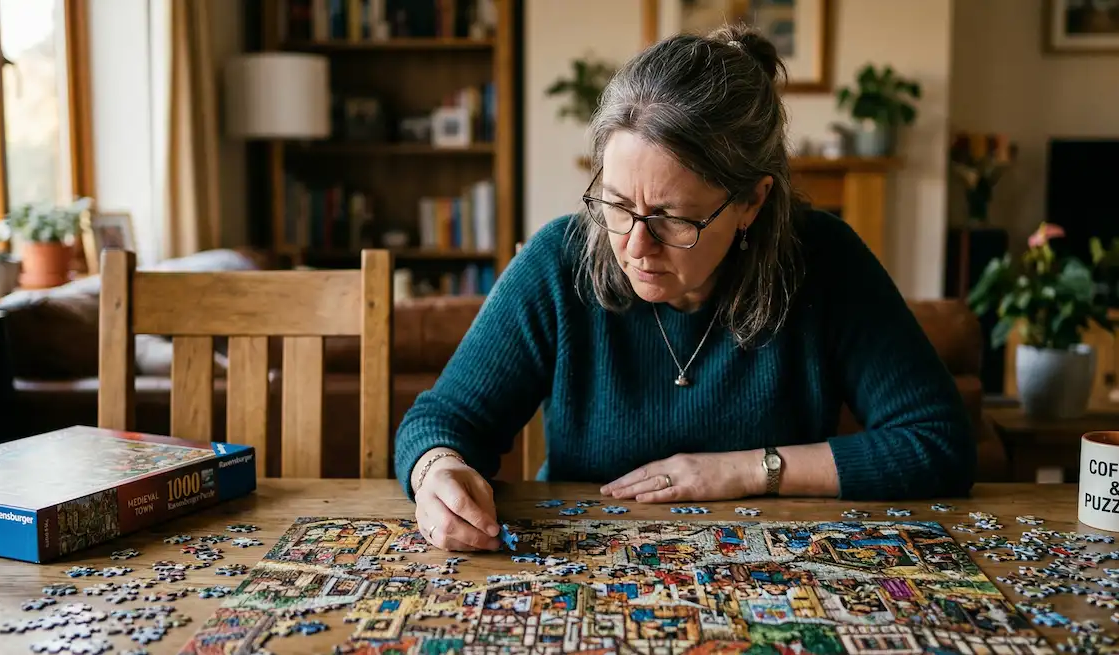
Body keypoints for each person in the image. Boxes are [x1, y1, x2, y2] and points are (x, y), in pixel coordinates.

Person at [393, 25, 975, 552]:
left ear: (752, 201)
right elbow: (440, 420)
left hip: (772, 571)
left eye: (674, 219)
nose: (635, 246)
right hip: (575, 571)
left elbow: (938, 443)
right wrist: (438, 472)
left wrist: (747, 470)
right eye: (617, 205)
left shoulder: (825, 259)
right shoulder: (558, 260)